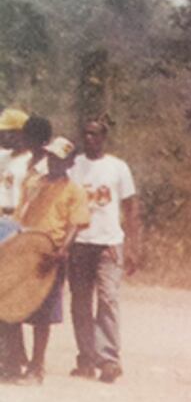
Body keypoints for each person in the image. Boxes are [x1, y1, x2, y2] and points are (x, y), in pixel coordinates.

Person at [0, 136, 89, 384]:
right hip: (25, 250)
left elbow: (76, 223)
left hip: (49, 254)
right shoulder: (35, 183)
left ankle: (36, 367)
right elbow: (21, 213)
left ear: (69, 162)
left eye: (59, 158)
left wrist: (62, 250)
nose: (53, 162)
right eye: (50, 156)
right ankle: (12, 362)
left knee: (43, 315)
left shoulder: (74, 190)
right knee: (9, 305)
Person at [66, 116, 139, 383]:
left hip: (108, 243)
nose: (89, 138)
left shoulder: (117, 167)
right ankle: (86, 358)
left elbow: (131, 208)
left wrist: (133, 245)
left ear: (104, 138)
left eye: (95, 134)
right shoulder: (73, 166)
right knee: (80, 302)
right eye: (86, 133)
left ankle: (108, 359)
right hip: (79, 242)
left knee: (108, 298)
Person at [0, 115, 51, 379]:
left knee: (16, 292)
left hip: (18, 224)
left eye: (8, 132)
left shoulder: (34, 164)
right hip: (2, 220)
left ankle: (20, 359)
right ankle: (12, 355)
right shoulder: (4, 157)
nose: (3, 136)